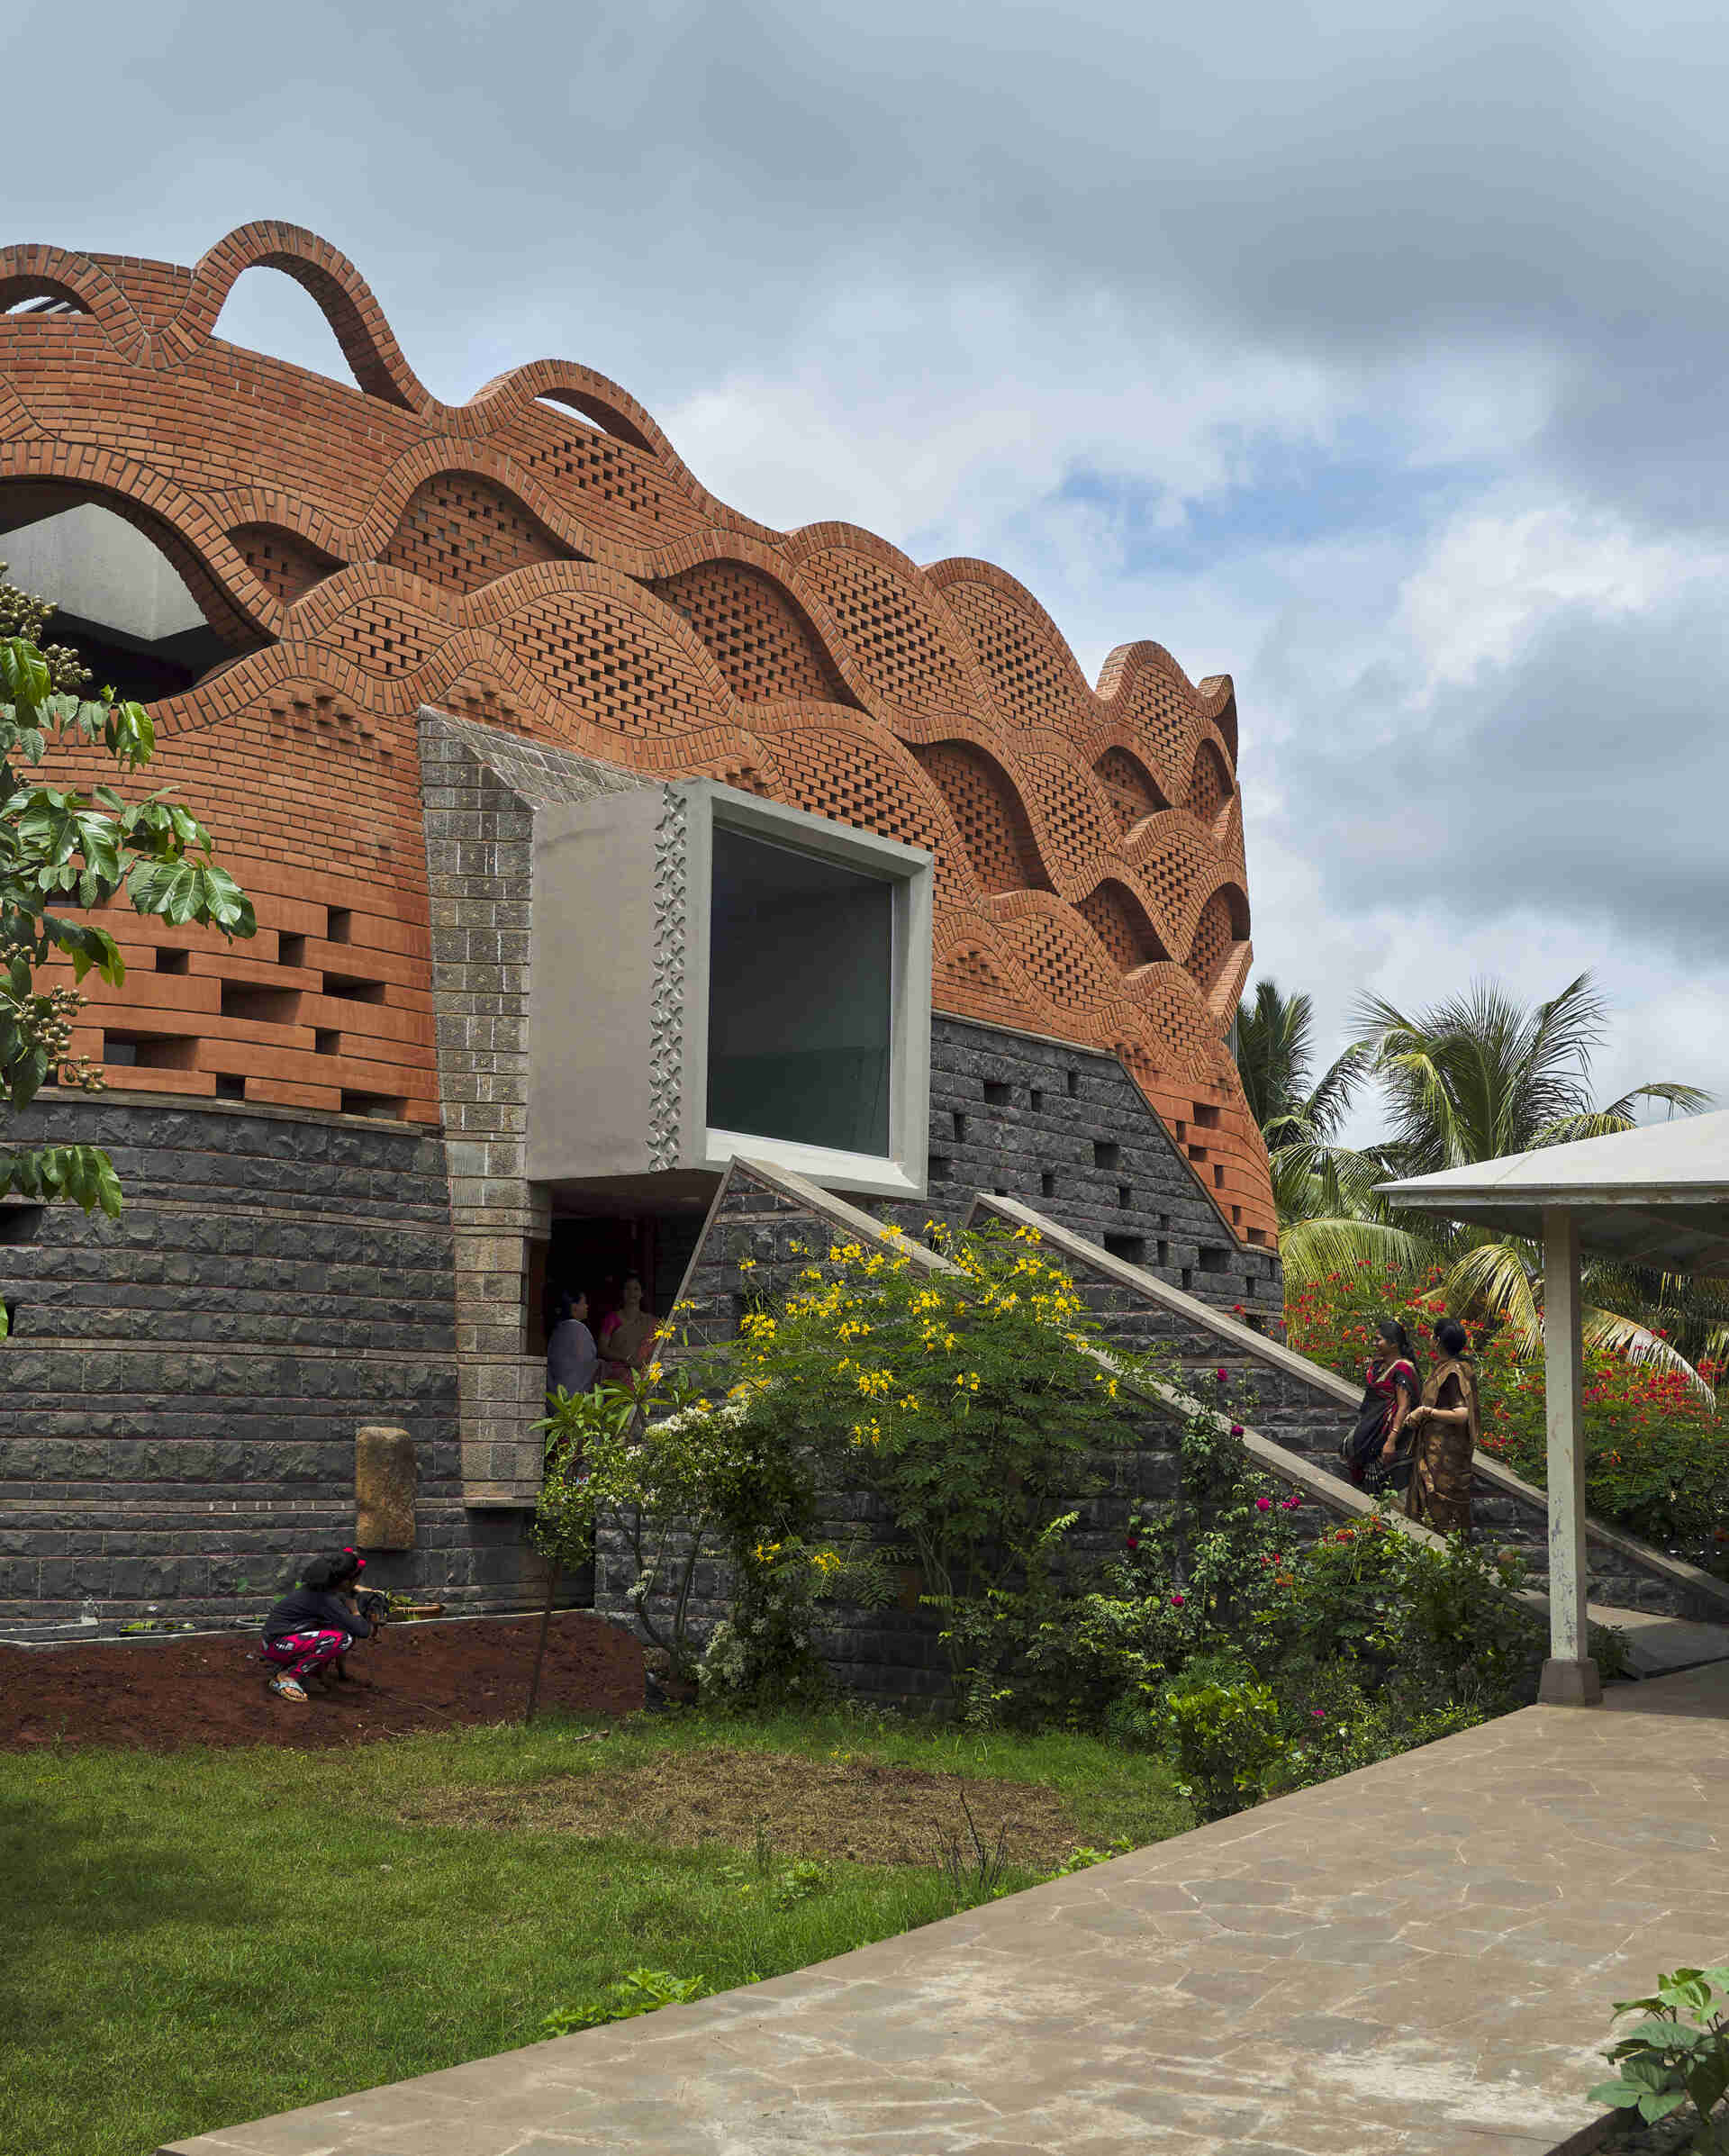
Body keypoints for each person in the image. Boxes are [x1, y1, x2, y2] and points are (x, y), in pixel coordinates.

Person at [260, 1554, 376, 1704]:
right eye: (355, 1580)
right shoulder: (325, 1600)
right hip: (276, 1645)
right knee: (343, 1638)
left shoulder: (318, 1589)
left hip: (276, 1640)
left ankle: (309, 1672)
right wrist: (355, 1610)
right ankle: (288, 1676)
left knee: (334, 1628)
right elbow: (362, 1631)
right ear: (345, 1582)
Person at [1405, 1317, 1480, 1535]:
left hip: (1445, 1457)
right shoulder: (1448, 1367)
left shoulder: (1454, 1371)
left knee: (1442, 1511)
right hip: (1435, 1450)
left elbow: (1462, 1414)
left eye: (1432, 1335)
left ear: (1437, 1341)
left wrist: (1425, 1411)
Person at [1343, 1318, 1421, 1492]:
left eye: (1378, 1340)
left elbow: (1403, 1407)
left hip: (1387, 1435)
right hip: (1371, 1428)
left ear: (1393, 1344)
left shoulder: (1403, 1368)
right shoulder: (1380, 1365)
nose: (1374, 1343)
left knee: (1381, 1486)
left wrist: (1391, 1441)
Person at [598, 1273, 656, 1383]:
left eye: (636, 1289)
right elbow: (602, 1349)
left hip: (643, 1376)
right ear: (622, 1292)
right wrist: (625, 1359)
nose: (632, 1293)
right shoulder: (612, 1319)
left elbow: (656, 1349)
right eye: (627, 1289)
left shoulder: (651, 1322)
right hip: (617, 1377)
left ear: (642, 1293)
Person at [547, 1288, 598, 1398]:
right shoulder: (577, 1329)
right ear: (574, 1307)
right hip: (574, 1397)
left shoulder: (558, 1329)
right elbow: (586, 1362)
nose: (587, 1306)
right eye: (584, 1303)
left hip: (557, 1396)